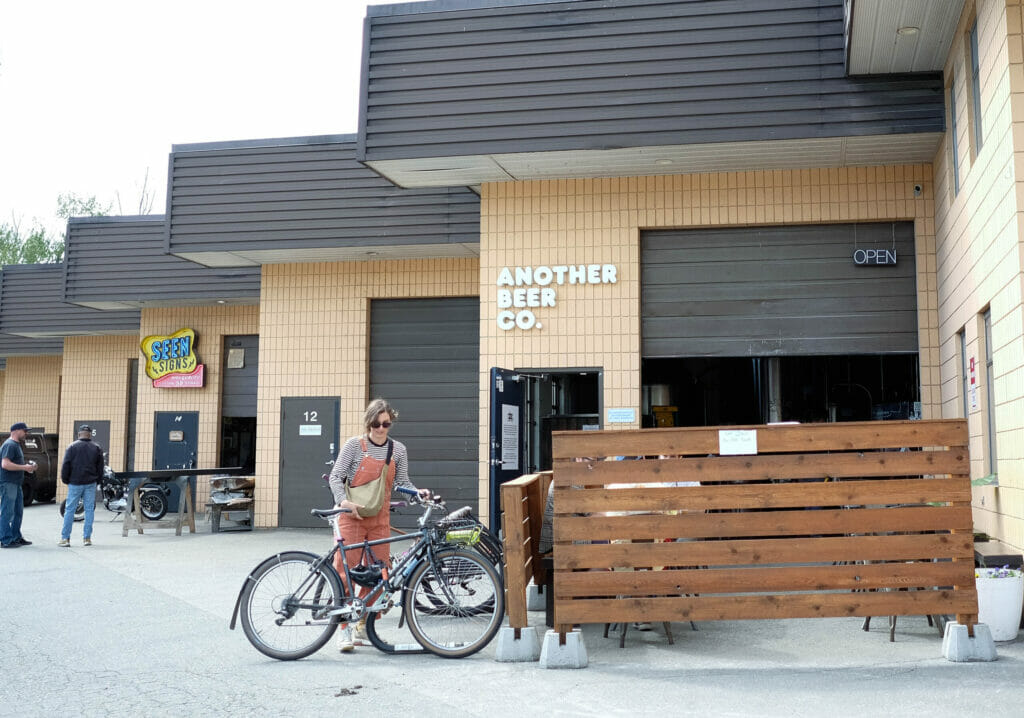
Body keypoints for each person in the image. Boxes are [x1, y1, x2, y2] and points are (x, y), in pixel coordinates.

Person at [327, 398, 430, 653]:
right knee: (344, 572)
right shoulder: (354, 445)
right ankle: (343, 628)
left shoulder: (399, 450)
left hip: (380, 519)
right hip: (351, 517)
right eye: (376, 423)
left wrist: (418, 494)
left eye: (386, 424)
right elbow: (336, 477)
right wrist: (342, 502)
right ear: (368, 422)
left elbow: (401, 482)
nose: (381, 429)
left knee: (382, 573)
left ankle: (361, 620)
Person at [58, 424, 105, 547]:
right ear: (90, 435)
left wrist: (65, 479)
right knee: (89, 510)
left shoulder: (72, 447)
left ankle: (65, 539)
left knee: (70, 510)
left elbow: (66, 465)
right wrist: (98, 480)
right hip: (90, 483)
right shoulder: (96, 448)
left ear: (79, 435)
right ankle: (87, 538)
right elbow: (100, 468)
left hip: (75, 482)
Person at [1, 422, 36, 549]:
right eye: (25, 431)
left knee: (17, 512)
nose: (26, 433)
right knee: (7, 512)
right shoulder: (10, 445)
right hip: (8, 483)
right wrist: (24, 467)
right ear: (16, 431)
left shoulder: (16, 445)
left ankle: (15, 537)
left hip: (15, 483)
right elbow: (5, 464)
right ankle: (5, 539)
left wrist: (28, 467)